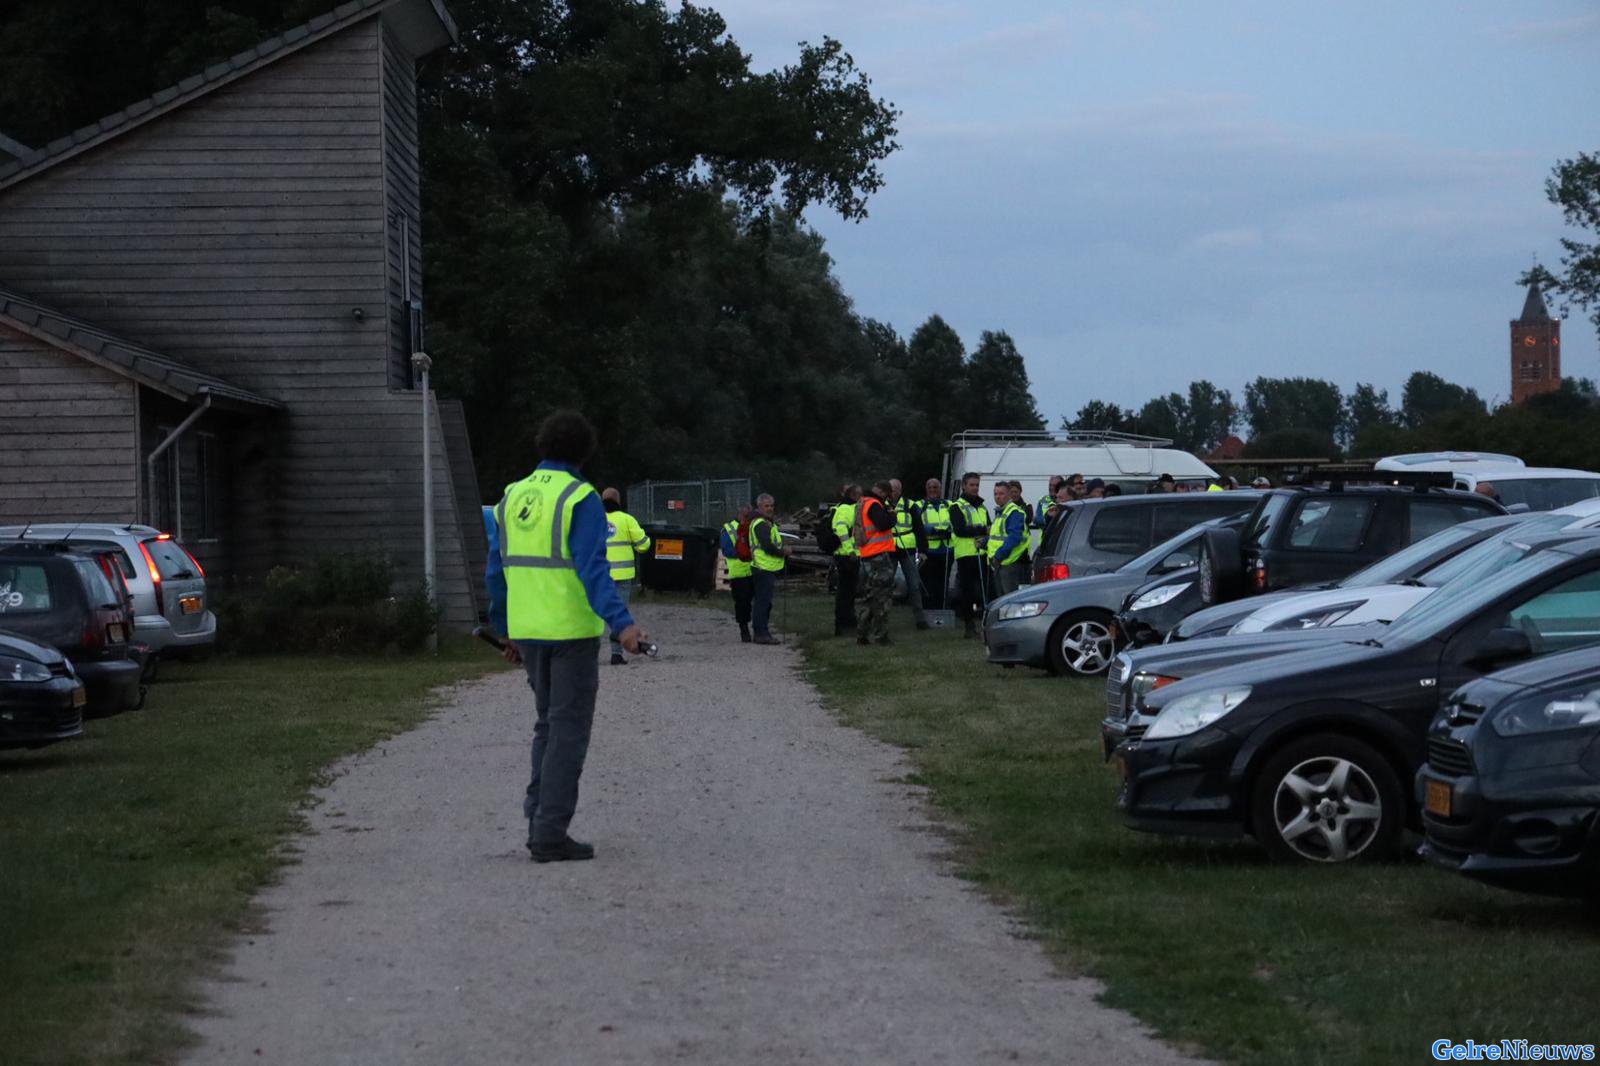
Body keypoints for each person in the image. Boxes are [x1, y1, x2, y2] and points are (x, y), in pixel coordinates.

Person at [490, 409, 646, 864]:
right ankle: (549, 833)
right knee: (568, 731)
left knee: (546, 725)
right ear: (585, 451)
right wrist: (623, 624)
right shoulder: (580, 497)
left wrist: (505, 630)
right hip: (570, 633)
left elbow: (496, 570)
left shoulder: (510, 496)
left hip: (528, 632)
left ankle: (538, 817)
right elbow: (594, 570)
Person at [601, 487, 652, 665]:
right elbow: (643, 545)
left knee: (596, 617)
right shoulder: (626, 519)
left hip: (601, 577)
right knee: (619, 614)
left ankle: (587, 655)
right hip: (623, 576)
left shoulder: (594, 520)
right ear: (618, 501)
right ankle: (616, 654)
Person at [853, 481, 898, 645]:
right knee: (882, 598)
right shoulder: (874, 505)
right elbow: (883, 524)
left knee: (868, 597)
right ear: (885, 492)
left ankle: (862, 634)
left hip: (866, 555)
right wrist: (892, 514)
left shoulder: (863, 503)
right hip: (878, 556)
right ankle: (881, 636)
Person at [948, 472, 990, 638]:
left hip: (981, 553)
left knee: (982, 591)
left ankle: (983, 623)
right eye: (972, 485)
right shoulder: (956, 506)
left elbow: (990, 527)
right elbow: (960, 530)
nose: (975, 488)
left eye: (977, 485)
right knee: (967, 592)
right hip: (966, 554)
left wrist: (985, 534)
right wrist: (981, 531)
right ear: (964, 486)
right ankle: (969, 626)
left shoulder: (982, 507)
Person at [749, 493, 790, 644]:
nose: (770, 509)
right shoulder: (760, 524)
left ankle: (762, 631)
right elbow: (767, 546)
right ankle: (761, 633)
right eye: (766, 506)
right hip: (762, 567)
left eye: (772, 505)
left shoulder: (768, 523)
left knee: (765, 602)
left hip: (767, 567)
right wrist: (782, 552)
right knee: (762, 602)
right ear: (759, 507)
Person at [887, 478, 928, 629]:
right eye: (890, 489)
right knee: (885, 584)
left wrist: (923, 550)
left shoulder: (910, 505)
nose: (892, 492)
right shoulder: (882, 505)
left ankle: (920, 620)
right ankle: (881, 618)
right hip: (889, 548)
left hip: (908, 549)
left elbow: (919, 528)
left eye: (895, 489)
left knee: (914, 584)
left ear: (900, 490)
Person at [916, 477, 953, 614]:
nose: (933, 490)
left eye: (935, 487)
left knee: (943, 582)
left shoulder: (949, 504)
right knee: (927, 582)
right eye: (930, 487)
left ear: (940, 489)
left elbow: (955, 522)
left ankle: (942, 608)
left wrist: (949, 530)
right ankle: (928, 609)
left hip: (946, 549)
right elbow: (917, 526)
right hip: (928, 551)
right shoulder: (920, 505)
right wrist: (933, 530)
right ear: (926, 489)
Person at [719, 504, 754, 643]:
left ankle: (759, 629)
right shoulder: (728, 529)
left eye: (749, 516)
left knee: (758, 602)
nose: (747, 518)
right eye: (746, 516)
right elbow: (727, 550)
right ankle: (744, 629)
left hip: (755, 570)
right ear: (739, 514)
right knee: (742, 603)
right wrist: (746, 554)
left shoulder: (753, 526)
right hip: (739, 573)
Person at [986, 480, 1028, 597]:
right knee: (1002, 598)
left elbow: (1015, 537)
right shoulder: (1001, 511)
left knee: (1008, 598)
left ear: (1009, 494)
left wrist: (998, 556)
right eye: (995, 494)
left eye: (1001, 493)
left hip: (1007, 562)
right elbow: (998, 537)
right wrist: (985, 542)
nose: (998, 497)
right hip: (1000, 562)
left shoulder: (1013, 512)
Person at [830, 484, 862, 637]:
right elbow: (841, 530)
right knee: (844, 592)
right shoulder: (844, 509)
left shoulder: (853, 508)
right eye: (859, 494)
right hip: (845, 556)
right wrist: (850, 550)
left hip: (851, 555)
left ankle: (848, 622)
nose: (861, 497)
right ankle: (842, 625)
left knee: (849, 592)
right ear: (852, 495)